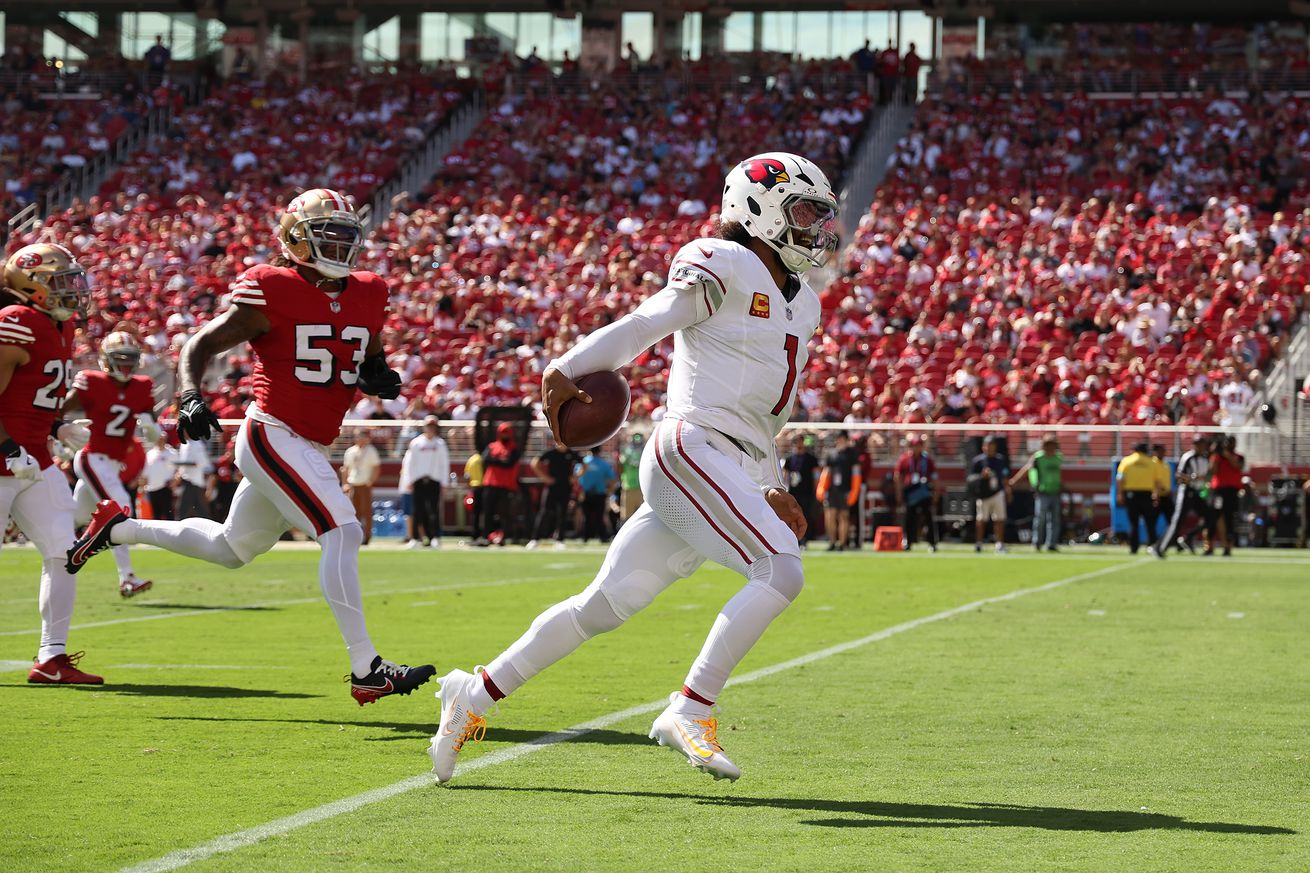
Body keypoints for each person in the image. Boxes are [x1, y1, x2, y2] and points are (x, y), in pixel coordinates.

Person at [430, 152, 835, 784]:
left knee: (604, 606)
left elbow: (762, 415)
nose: (816, 227)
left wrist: (770, 482)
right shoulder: (722, 261)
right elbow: (650, 321)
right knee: (780, 569)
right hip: (690, 446)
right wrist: (568, 366)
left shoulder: (803, 302)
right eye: (806, 211)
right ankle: (690, 707)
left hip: (732, 459)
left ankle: (472, 695)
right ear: (757, 208)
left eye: (820, 215)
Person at [67, 188, 434, 705]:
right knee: (344, 532)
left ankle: (119, 527)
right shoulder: (271, 285)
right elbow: (200, 343)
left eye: (347, 234)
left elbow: (368, 354)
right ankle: (366, 667)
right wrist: (191, 396)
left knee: (232, 548)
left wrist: (379, 376)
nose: (340, 244)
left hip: (307, 440)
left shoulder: (369, 289)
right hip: (273, 433)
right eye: (327, 233)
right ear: (294, 240)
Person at [0, 243, 103, 684]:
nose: (72, 290)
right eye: (60, 282)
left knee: (65, 553)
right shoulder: (16, 322)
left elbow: (28, 390)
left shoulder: (59, 327)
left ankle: (51, 658)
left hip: (33, 458)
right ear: (31, 285)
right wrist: (6, 447)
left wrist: (56, 424)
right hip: (8, 455)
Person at [66, 330, 161, 597]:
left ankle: (62, 552)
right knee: (119, 511)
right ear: (106, 360)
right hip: (92, 456)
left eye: (130, 359)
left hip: (110, 463)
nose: (126, 365)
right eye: (120, 358)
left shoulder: (142, 385)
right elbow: (60, 409)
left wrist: (152, 425)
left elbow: (148, 414)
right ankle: (127, 577)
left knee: (75, 517)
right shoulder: (92, 381)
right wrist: (62, 431)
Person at [1158, 435, 1212, 554]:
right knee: (1177, 521)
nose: (1201, 447)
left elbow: (1207, 475)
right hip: (1186, 491)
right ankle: (1160, 547)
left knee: (1210, 517)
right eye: (1198, 444)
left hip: (1198, 492)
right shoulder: (1188, 457)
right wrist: (1193, 478)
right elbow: (1179, 475)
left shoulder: (1205, 459)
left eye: (1202, 444)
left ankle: (1189, 537)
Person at [400, 416, 448, 548]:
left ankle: (435, 537)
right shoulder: (416, 443)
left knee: (434, 511)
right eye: (429, 426)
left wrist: (444, 482)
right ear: (424, 427)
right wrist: (409, 480)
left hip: (434, 480)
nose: (431, 429)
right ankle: (415, 538)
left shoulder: (440, 444)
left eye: (433, 427)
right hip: (418, 481)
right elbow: (410, 463)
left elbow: (444, 464)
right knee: (417, 511)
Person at [1116, 441, 1168, 555]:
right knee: (1150, 523)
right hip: (1147, 495)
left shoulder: (1127, 461)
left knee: (1133, 523)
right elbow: (1158, 482)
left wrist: (1119, 494)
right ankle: (1152, 546)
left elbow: (1120, 478)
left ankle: (1133, 548)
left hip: (1131, 495)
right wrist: (1157, 494)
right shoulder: (1152, 463)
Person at [527, 443, 577, 549]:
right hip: (551, 487)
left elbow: (584, 465)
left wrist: (575, 477)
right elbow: (535, 463)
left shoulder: (571, 453)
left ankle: (560, 540)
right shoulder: (551, 453)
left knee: (562, 513)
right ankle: (534, 539)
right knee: (544, 512)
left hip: (565, 488)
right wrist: (544, 477)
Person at [479, 421, 522, 545]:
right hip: (491, 483)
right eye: (503, 433)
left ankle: (507, 536)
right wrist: (501, 461)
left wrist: (496, 461)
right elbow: (486, 460)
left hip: (506, 485)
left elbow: (509, 464)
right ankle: (486, 536)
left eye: (507, 433)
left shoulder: (514, 448)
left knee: (506, 513)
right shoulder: (492, 446)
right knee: (487, 511)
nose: (505, 435)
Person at [894, 434, 938, 551]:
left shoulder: (927, 460)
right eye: (914, 446)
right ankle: (908, 541)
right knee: (909, 518)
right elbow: (897, 475)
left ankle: (932, 543)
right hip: (910, 492)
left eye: (918, 446)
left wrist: (935, 492)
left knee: (928, 518)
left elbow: (934, 476)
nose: (916, 448)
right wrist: (899, 492)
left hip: (924, 491)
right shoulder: (904, 459)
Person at [817, 431, 860, 550]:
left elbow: (856, 473)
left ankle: (842, 543)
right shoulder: (831, 454)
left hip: (846, 489)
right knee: (830, 516)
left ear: (846, 439)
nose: (839, 441)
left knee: (843, 516)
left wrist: (854, 491)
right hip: (832, 489)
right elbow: (826, 472)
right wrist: (822, 488)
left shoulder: (852, 453)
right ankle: (832, 541)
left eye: (841, 438)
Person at [1018, 435, 1062, 552]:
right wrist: (1016, 480)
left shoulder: (1058, 457)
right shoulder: (1038, 458)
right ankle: (1036, 542)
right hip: (1042, 492)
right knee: (1040, 518)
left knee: (1054, 520)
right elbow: (1028, 469)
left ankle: (1051, 544)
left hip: (1055, 491)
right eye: (1048, 445)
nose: (1050, 448)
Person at [969, 436, 1011, 553]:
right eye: (987, 446)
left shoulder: (1000, 460)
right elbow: (971, 479)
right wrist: (982, 476)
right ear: (983, 447)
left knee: (999, 519)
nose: (989, 448)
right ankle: (979, 543)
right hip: (983, 494)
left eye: (992, 446)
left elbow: (1005, 476)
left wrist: (1008, 490)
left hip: (997, 492)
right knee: (981, 519)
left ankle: (999, 544)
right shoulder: (978, 461)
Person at [341, 430, 381, 545]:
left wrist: (370, 481)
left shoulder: (371, 450)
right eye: (358, 436)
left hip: (364, 484)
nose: (360, 439)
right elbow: (345, 468)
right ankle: (355, 536)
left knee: (366, 511)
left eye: (363, 436)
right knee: (354, 512)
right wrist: (345, 483)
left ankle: (367, 536)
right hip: (353, 483)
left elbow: (376, 467)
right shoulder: (350, 451)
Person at [1208, 435, 1244, 556]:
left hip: (1232, 492)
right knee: (1214, 516)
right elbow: (1212, 471)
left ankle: (1228, 547)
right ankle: (1210, 546)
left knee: (1230, 519)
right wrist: (1216, 455)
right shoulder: (1217, 456)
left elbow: (1237, 466)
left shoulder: (1239, 457)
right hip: (1219, 491)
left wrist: (1227, 455)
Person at [781, 433, 819, 546]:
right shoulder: (789, 459)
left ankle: (805, 539)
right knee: (793, 514)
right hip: (794, 491)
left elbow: (816, 475)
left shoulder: (811, 459)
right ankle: (794, 538)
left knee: (806, 514)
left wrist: (816, 489)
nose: (799, 444)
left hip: (807, 491)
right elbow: (785, 475)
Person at [576, 447, 617, 543]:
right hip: (600, 493)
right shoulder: (604, 464)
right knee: (600, 516)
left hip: (585, 493)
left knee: (586, 516)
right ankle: (602, 537)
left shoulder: (583, 462)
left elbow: (577, 476)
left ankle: (585, 537)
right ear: (599, 452)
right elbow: (612, 479)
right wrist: (609, 491)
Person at [141, 433, 178, 521]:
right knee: (156, 516)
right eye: (159, 439)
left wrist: (175, 481)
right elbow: (146, 471)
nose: (160, 441)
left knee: (168, 514)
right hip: (152, 488)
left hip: (165, 487)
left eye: (162, 439)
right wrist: (143, 486)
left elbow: (179, 469)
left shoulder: (172, 453)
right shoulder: (150, 454)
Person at [618, 432, 644, 522]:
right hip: (628, 488)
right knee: (626, 517)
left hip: (642, 489)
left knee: (642, 517)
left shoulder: (645, 452)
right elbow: (620, 464)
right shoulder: (626, 451)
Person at [464, 449, 485, 544]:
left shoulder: (471, 460)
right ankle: (483, 534)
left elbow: (467, 476)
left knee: (475, 513)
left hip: (474, 487)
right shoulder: (482, 459)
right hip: (483, 487)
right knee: (483, 513)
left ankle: (474, 534)